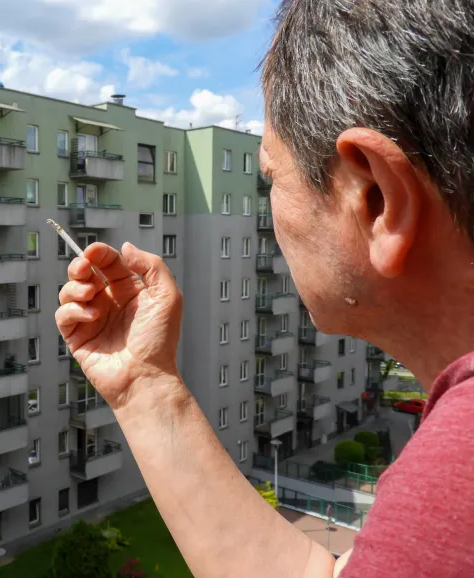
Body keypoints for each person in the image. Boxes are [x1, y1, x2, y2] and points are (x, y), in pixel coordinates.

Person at [55, 1, 474, 576]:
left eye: (270, 177)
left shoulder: (459, 487)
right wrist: (145, 386)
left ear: (376, 197)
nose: (269, 206)